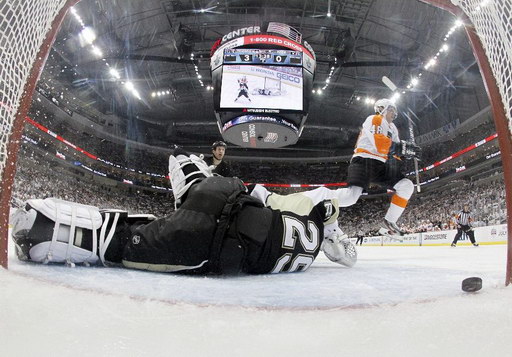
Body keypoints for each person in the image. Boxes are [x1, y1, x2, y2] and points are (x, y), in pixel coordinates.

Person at [10, 149, 358, 275]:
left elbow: (312, 205)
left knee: (152, 227)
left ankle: (199, 183)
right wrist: (336, 242)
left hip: (232, 198)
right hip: (224, 247)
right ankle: (41, 228)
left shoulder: (313, 209)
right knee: (121, 243)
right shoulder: (306, 257)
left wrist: (212, 185)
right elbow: (348, 256)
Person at [341, 98, 420, 237]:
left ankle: (388, 223)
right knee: (351, 197)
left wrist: (408, 152)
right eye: (391, 109)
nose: (394, 113)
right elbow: (381, 145)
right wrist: (401, 148)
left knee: (406, 186)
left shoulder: (392, 128)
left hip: (379, 164)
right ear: (382, 109)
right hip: (363, 160)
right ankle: (322, 201)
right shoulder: (374, 119)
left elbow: (394, 151)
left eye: (395, 110)